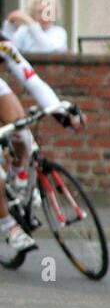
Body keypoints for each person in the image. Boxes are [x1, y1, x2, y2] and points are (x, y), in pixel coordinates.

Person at [0, 38, 81, 252]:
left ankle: (19, 178)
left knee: (22, 133)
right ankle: (9, 227)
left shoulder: (4, 45)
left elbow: (32, 80)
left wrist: (61, 114)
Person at [2, 0, 68, 54]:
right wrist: (9, 24)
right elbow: (8, 50)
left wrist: (31, 24)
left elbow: (49, 50)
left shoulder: (59, 32)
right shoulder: (24, 31)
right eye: (40, 12)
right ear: (32, 13)